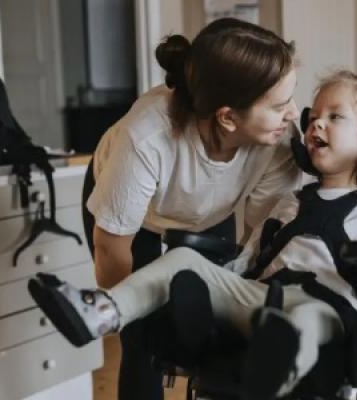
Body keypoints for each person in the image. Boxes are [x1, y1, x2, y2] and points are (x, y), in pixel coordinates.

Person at [35, 70, 357, 400]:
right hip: (261, 295)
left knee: (304, 324)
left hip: (327, 307)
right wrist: (217, 284)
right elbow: (252, 256)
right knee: (186, 264)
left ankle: (273, 369)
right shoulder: (292, 200)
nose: (315, 124)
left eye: (336, 117)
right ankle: (104, 311)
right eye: (314, 116)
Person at [81, 18, 303, 400]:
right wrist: (135, 315)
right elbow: (111, 249)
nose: (294, 114)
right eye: (280, 105)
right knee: (145, 341)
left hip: (210, 213)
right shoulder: (146, 138)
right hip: (136, 220)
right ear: (228, 116)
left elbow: (257, 245)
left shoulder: (278, 143)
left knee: (214, 325)